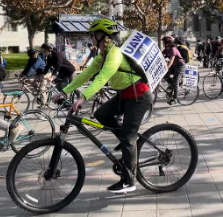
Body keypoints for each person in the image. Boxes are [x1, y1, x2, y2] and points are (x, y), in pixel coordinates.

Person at [52, 18, 153, 194]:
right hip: (124, 94)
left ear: (101, 36)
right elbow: (87, 74)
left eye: (93, 35)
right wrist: (65, 91)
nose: (91, 38)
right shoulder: (102, 55)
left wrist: (82, 98)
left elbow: (102, 78)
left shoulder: (115, 54)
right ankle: (126, 141)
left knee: (128, 138)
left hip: (139, 96)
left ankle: (129, 181)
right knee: (101, 114)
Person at [162, 36, 185, 105]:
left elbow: (171, 61)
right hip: (174, 66)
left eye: (164, 42)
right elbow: (160, 55)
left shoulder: (173, 49)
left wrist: (167, 67)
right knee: (165, 75)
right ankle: (172, 85)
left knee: (175, 82)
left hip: (180, 66)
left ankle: (175, 98)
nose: (163, 43)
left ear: (168, 43)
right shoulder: (166, 49)